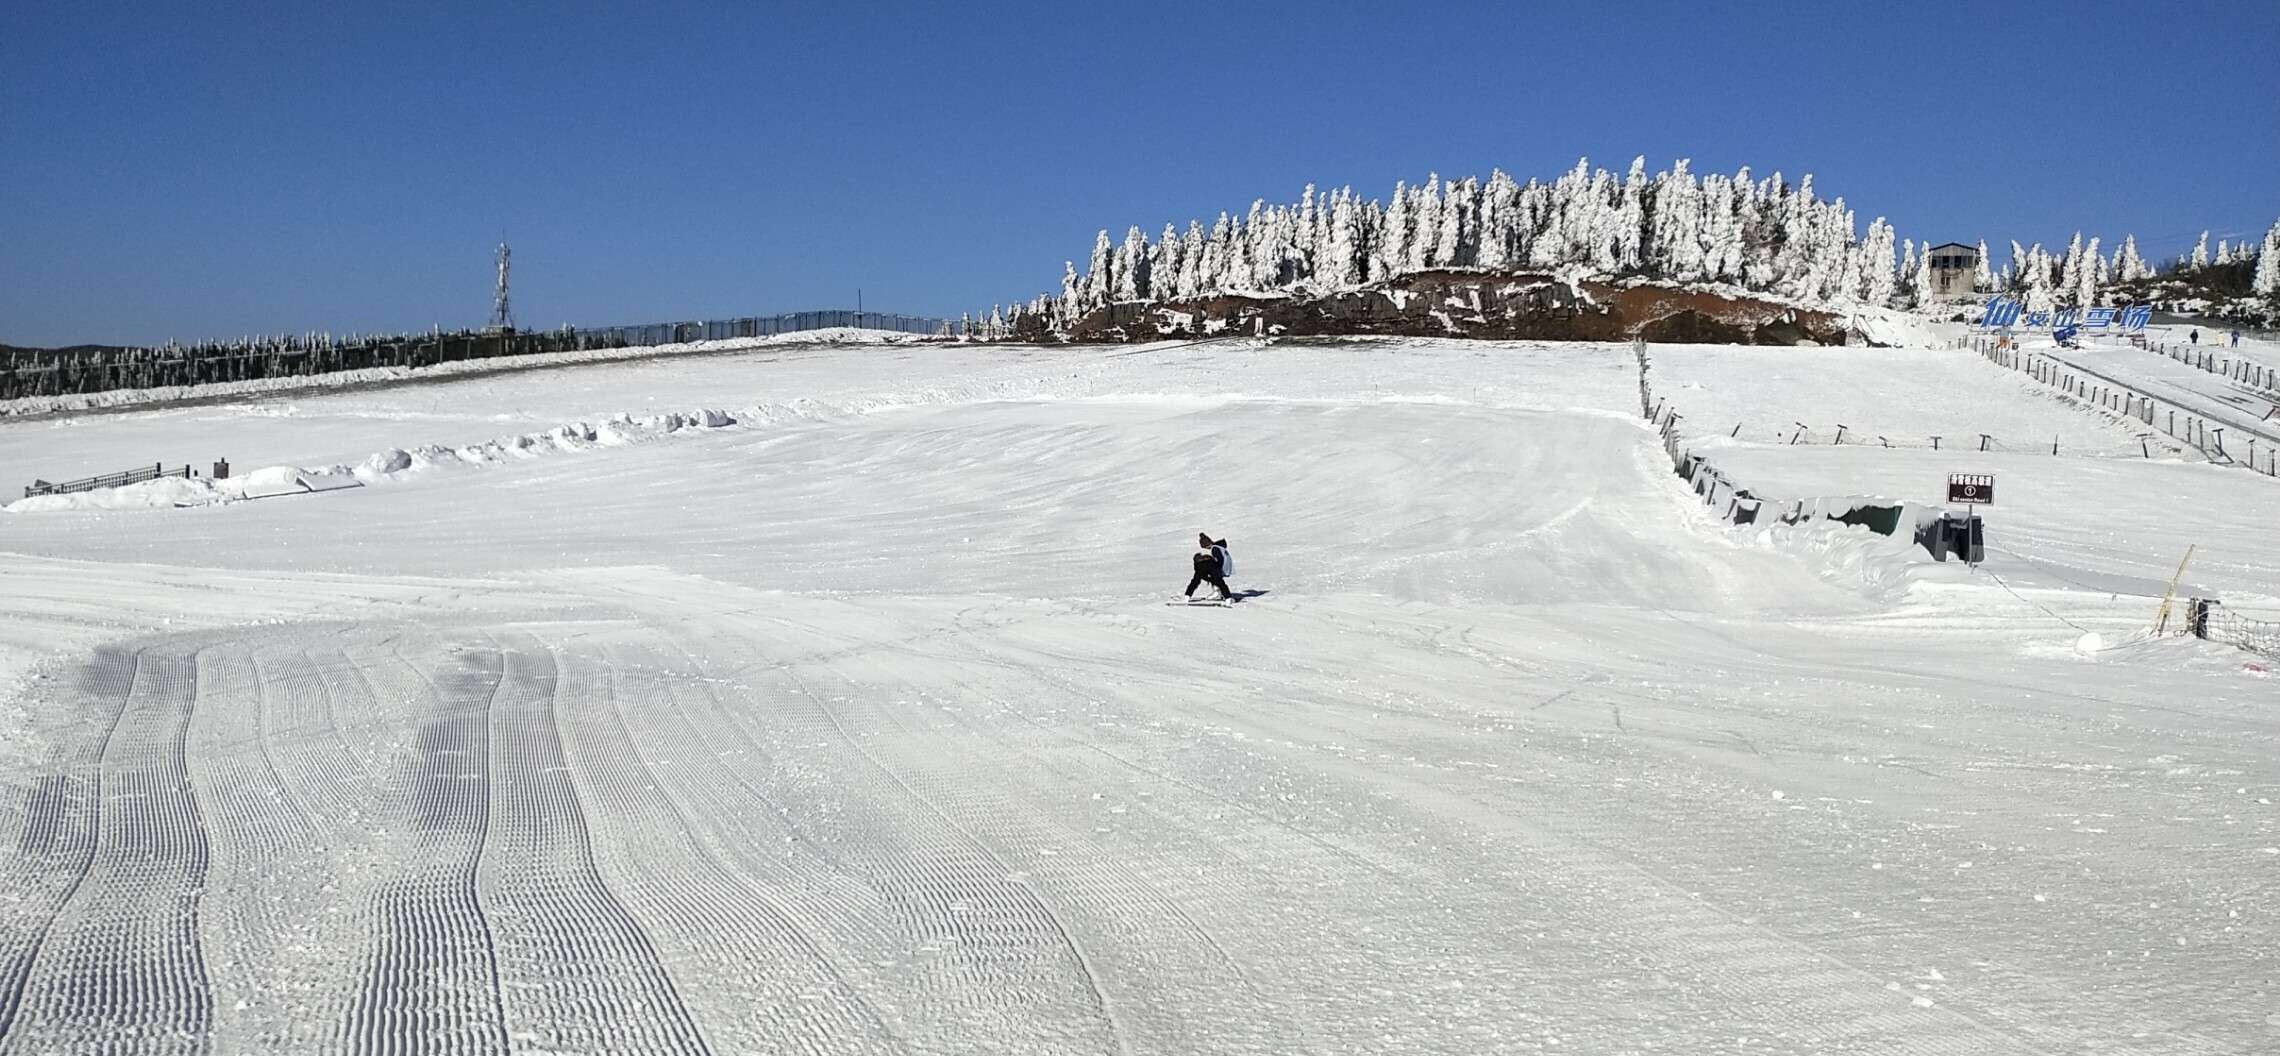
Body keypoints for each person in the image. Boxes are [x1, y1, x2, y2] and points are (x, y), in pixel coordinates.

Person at [1184, 532, 1232, 600]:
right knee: (1216, 579)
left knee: (1212, 578)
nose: (1206, 549)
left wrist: (1217, 568)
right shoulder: (1218, 547)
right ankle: (1223, 595)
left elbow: (1219, 560)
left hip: (1218, 567)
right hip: (1220, 567)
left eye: (1205, 547)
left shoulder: (1215, 549)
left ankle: (1219, 593)